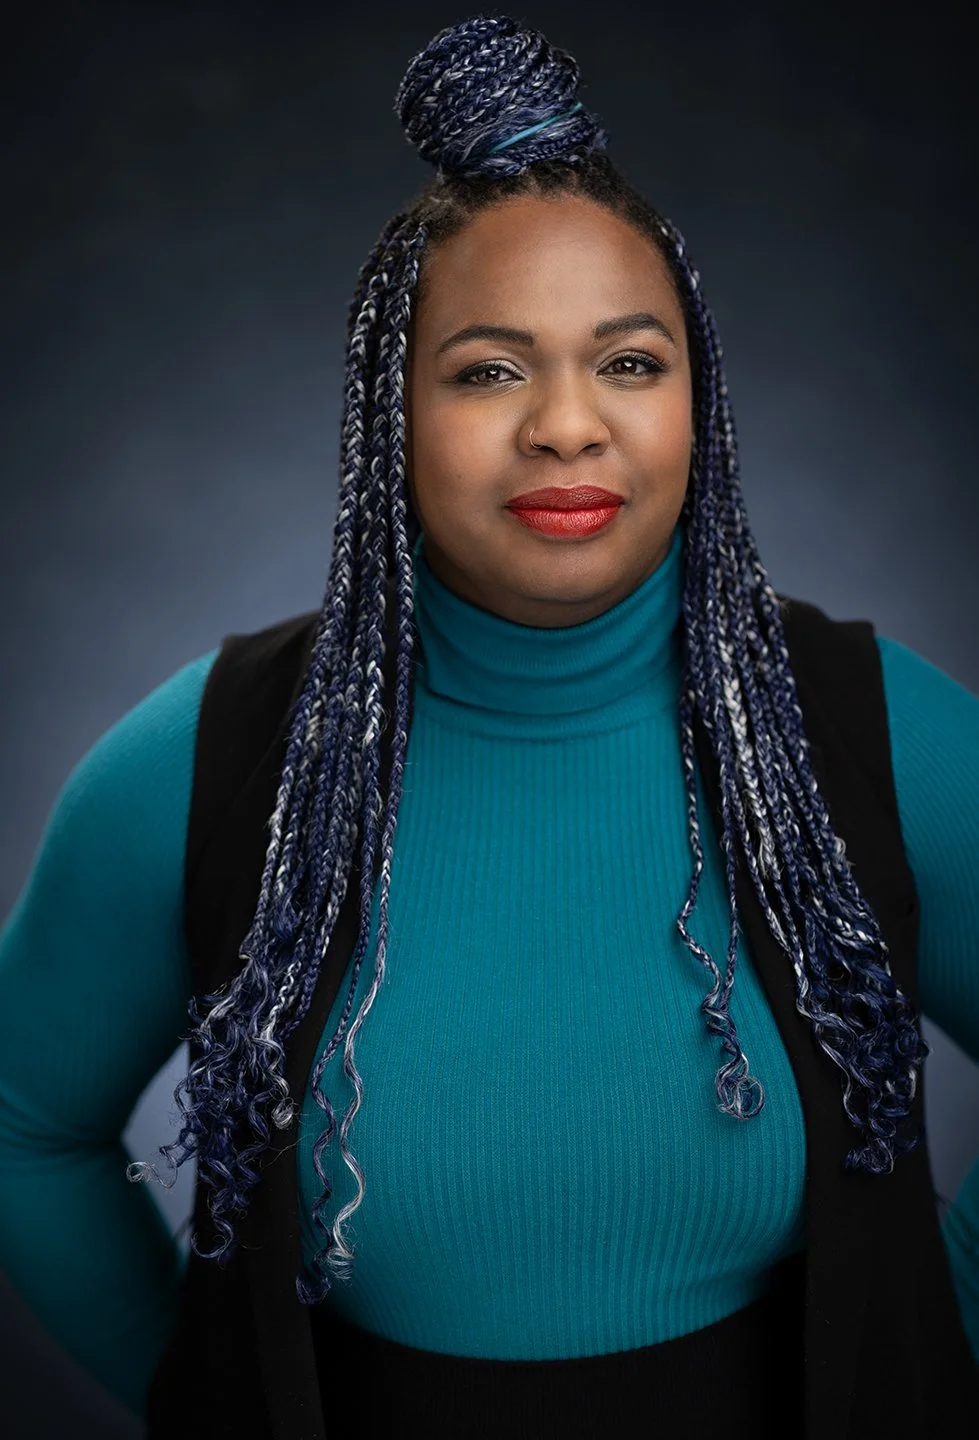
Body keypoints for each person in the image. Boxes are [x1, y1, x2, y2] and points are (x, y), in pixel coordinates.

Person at [1, 13, 977, 1439]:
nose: (566, 427)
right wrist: (205, 1392)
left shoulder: (868, 729)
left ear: (697, 403)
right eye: (486, 370)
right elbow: (24, 1123)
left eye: (629, 363)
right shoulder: (207, 761)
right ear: (385, 417)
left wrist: (921, 1358)